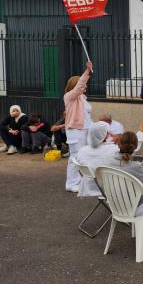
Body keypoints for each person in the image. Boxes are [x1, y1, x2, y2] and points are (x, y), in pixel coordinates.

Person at [75, 118, 143, 198]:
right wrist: (142, 128)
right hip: (110, 189)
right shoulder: (112, 150)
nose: (109, 134)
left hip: (88, 187)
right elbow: (130, 148)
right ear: (104, 135)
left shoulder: (81, 151)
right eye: (107, 133)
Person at [64, 61, 93, 192]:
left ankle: (80, 179)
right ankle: (71, 183)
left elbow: (87, 118)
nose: (84, 86)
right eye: (82, 84)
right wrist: (87, 71)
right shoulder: (69, 96)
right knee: (75, 157)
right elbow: (80, 86)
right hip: (75, 131)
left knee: (84, 156)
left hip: (85, 131)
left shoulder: (82, 98)